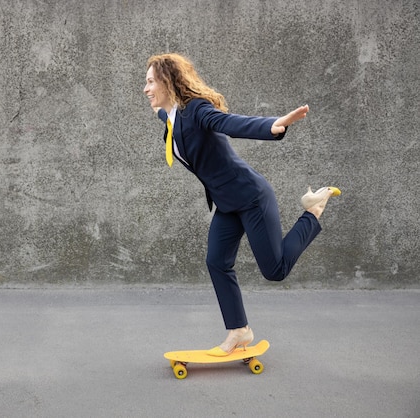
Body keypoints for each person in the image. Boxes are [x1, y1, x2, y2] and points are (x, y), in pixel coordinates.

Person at [144, 53, 340, 356]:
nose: (145, 88)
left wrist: (273, 125)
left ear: (168, 82)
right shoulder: (168, 117)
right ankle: (239, 330)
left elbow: (227, 123)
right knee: (217, 261)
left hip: (251, 197)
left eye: (150, 82)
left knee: (275, 270)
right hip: (227, 203)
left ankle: (313, 210)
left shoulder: (195, 110)